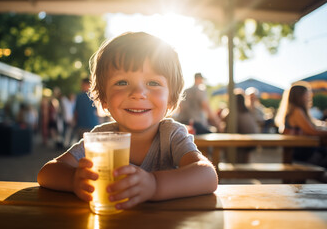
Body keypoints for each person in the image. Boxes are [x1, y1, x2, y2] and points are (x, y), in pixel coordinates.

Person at [38, 32, 218, 210]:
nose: (138, 93)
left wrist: (154, 185)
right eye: (122, 82)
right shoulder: (101, 138)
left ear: (171, 98)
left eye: (153, 83)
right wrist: (73, 180)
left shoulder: (171, 135)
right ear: (104, 98)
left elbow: (208, 176)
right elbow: (47, 173)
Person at [274, 81, 327, 166]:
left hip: (299, 150)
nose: (309, 96)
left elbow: (312, 126)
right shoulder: (297, 111)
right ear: (299, 96)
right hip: (301, 153)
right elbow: (312, 131)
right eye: (307, 94)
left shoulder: (295, 110)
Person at [222, 91, 260, 162]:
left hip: (245, 141)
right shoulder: (246, 111)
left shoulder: (234, 112)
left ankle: (230, 162)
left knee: (227, 138)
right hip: (253, 139)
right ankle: (244, 165)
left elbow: (224, 119)